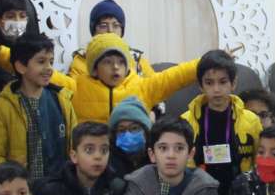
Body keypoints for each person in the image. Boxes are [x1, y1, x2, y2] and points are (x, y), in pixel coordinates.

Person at [0, 33, 77, 180]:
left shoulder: (62, 101)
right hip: (22, 188)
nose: (49, 68)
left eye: (51, 62)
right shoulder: (3, 105)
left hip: (59, 187)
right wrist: (14, 185)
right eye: (41, 61)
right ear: (21, 67)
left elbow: (75, 146)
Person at [65, 33, 198, 128]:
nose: (115, 67)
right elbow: (52, 76)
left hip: (133, 156)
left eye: (121, 62)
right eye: (108, 62)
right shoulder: (76, 87)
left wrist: (205, 62)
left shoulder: (142, 87)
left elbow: (177, 75)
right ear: (94, 69)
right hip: (92, 156)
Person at [184, 48, 260, 195]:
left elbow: (259, 162)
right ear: (200, 86)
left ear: (233, 83)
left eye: (223, 82)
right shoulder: (187, 121)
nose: (216, 89)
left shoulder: (251, 121)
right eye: (209, 83)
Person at [107, 96, 154, 177]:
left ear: (146, 130)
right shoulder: (108, 163)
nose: (128, 135)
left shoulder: (157, 158)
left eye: (134, 128)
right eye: (121, 130)